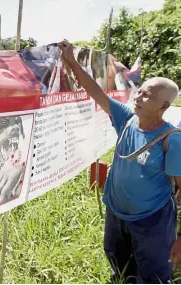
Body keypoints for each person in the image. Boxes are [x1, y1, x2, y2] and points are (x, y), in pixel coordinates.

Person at [58, 39, 181, 284]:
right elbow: (95, 91)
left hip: (152, 220)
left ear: (163, 106)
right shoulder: (125, 119)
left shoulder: (172, 140)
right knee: (119, 265)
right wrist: (71, 60)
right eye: (140, 90)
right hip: (116, 212)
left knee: (153, 275)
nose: (138, 95)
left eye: (147, 94)